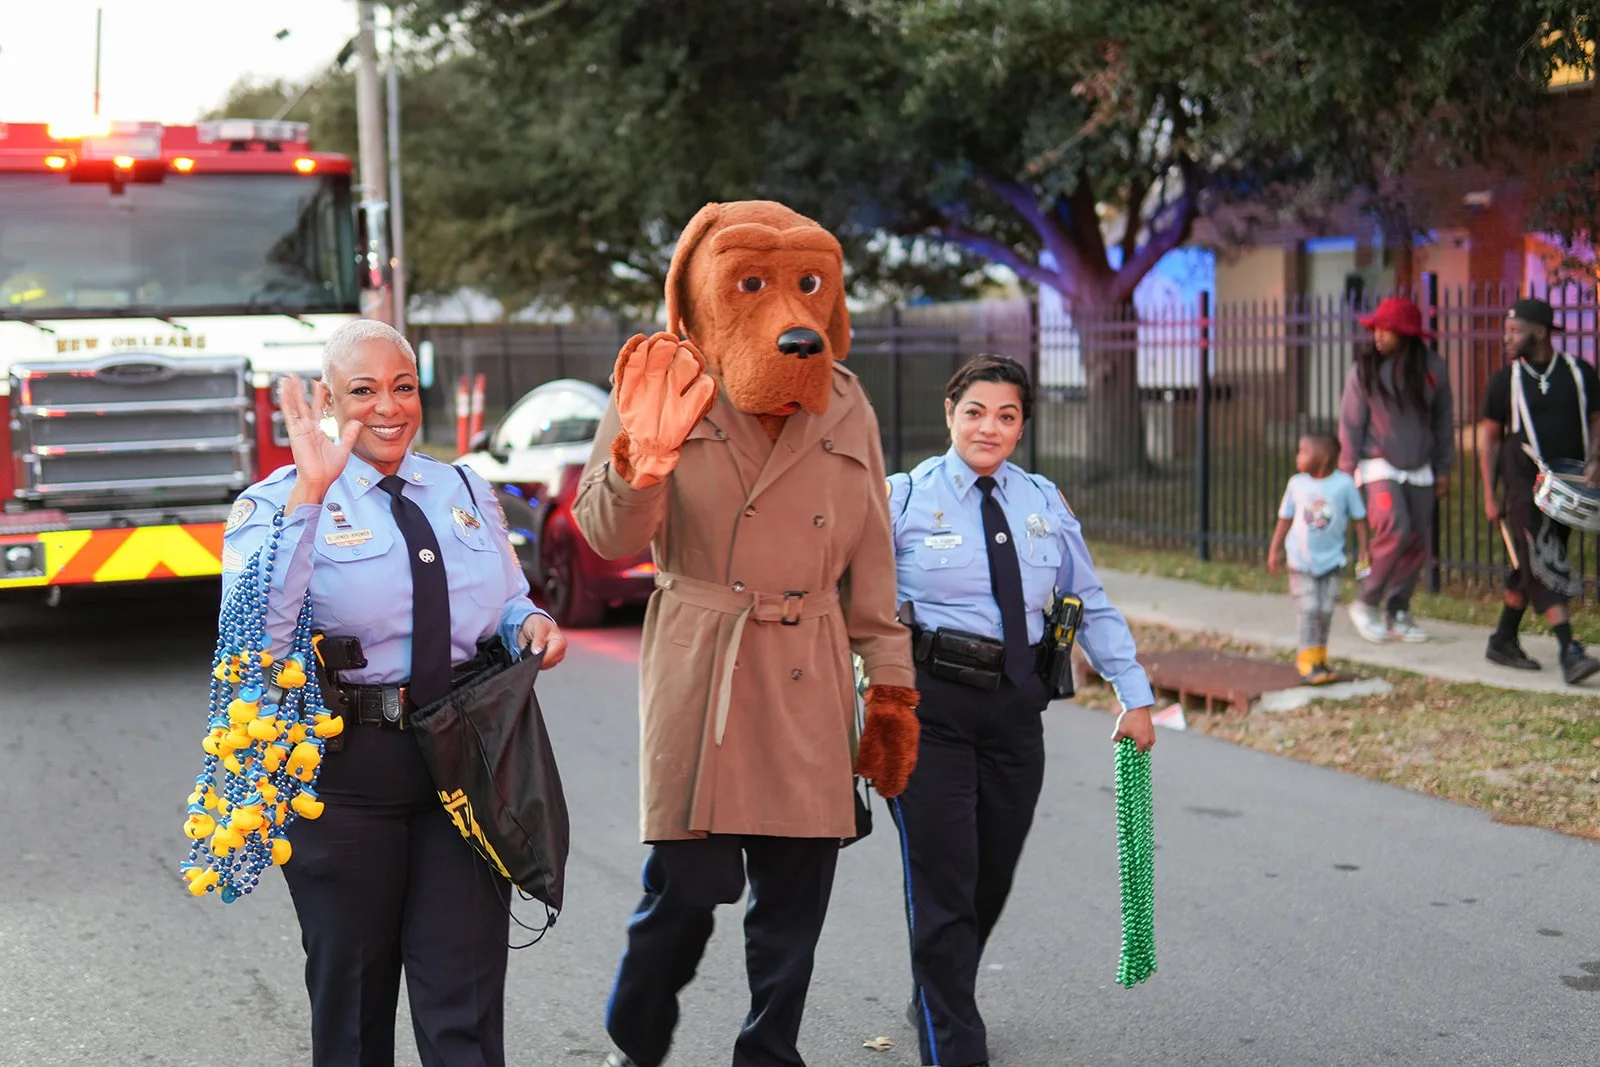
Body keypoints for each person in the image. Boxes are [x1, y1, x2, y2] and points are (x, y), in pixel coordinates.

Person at [571, 199, 919, 1067]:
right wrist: (640, 463)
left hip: (810, 663)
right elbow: (606, 535)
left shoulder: (845, 404)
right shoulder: (663, 382)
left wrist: (893, 685)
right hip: (704, 664)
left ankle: (770, 1054)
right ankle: (636, 1037)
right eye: (754, 284)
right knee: (687, 889)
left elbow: (872, 556)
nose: (791, 315)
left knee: (796, 899)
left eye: (809, 286)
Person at [221, 318, 568, 1066]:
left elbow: (506, 597)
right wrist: (311, 493)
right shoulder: (274, 504)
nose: (388, 406)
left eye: (403, 386)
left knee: (466, 1001)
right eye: (363, 389)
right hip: (342, 776)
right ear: (326, 397)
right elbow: (258, 642)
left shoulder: (462, 487)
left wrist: (532, 622)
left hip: (462, 762)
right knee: (353, 1008)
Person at [884, 354, 1155, 1067]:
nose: (989, 426)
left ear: (1023, 425)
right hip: (929, 709)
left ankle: (937, 988)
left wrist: (1134, 692)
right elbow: (854, 603)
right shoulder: (903, 498)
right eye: (975, 411)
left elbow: (1089, 599)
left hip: (1015, 712)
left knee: (988, 875)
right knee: (943, 878)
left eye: (1006, 415)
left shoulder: (1041, 500)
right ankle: (955, 1043)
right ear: (950, 413)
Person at [1478, 297, 1600, 685]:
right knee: (1541, 557)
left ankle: (1502, 639)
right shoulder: (1505, 381)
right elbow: (1490, 441)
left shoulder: (1579, 373)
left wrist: (1595, 458)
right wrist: (1488, 492)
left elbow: (1597, 420)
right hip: (1520, 479)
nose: (1506, 338)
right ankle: (1569, 649)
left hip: (1566, 486)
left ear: (1540, 332)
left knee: (1530, 563)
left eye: (1515, 331)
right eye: (1506, 330)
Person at [1338, 296, 1453, 644]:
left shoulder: (1433, 368)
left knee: (1417, 541)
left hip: (1420, 465)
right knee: (1396, 528)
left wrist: (1444, 467)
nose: (1377, 335)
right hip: (1378, 463)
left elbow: (1443, 420)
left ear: (1405, 332)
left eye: (1385, 329)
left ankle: (1399, 610)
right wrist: (1346, 469)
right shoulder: (1364, 370)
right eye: (1375, 329)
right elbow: (1351, 423)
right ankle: (1366, 602)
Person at [1268, 433, 1371, 684]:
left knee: (1325, 611)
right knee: (1309, 608)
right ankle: (1306, 661)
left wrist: (1364, 550)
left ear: (1323, 458)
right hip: (1300, 561)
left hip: (1332, 562)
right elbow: (1285, 518)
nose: (1298, 458)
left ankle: (1320, 658)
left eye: (1303, 452)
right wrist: (1275, 549)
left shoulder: (1344, 485)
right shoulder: (1296, 484)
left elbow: (1359, 518)